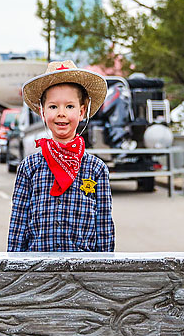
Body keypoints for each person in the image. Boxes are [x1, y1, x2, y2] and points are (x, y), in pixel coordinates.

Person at [7, 60, 115, 252]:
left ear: (82, 112)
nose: (61, 114)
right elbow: (18, 224)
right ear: (42, 112)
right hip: (38, 270)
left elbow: (104, 226)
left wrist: (104, 273)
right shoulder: (29, 166)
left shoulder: (96, 169)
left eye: (70, 107)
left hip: (83, 271)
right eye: (53, 107)